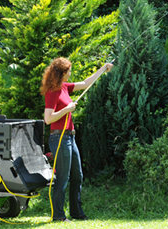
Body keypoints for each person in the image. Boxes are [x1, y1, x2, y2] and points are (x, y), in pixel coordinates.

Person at [40, 57, 113, 222]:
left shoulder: (65, 87)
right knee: (63, 177)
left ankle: (77, 213)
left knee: (77, 176)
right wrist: (67, 109)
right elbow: (48, 119)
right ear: (62, 73)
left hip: (69, 138)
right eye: (68, 71)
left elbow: (86, 83)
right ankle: (58, 216)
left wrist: (103, 69)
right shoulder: (52, 91)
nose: (70, 73)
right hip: (59, 138)